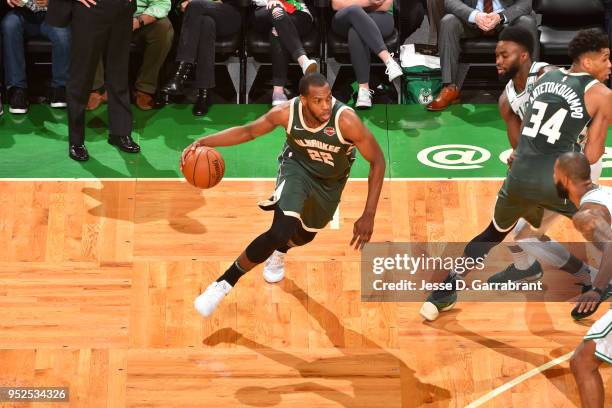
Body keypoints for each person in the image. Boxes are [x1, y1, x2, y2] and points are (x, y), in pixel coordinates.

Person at [419, 28, 612, 321]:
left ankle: (446, 290)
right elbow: (594, 155)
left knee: (493, 233)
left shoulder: (545, 78)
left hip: (519, 174)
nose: (610, 66)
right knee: (602, 231)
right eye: (606, 59)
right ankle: (599, 285)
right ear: (587, 62)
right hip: (559, 178)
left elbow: (529, 128)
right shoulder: (602, 94)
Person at [182, 73, 386, 317]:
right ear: (304, 100)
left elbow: (378, 161)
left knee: (304, 237)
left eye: (328, 99)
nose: (325, 106)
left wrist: (369, 214)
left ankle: (281, 251)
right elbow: (248, 132)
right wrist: (206, 141)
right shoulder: (286, 113)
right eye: (318, 101)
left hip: (330, 183)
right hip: (296, 169)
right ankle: (223, 284)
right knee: (280, 230)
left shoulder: (347, 121)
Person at [488, 27, 605, 315]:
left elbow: (590, 151)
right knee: (520, 233)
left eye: (505, 54)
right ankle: (530, 270)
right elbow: (519, 143)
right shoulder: (508, 99)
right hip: (550, 168)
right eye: (498, 55)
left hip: (573, 170)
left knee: (527, 234)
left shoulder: (547, 74)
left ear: (526, 57)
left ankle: (594, 277)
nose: (499, 61)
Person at [46, 0, 141, 162]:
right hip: (90, 10)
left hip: (121, 10)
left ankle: (120, 132)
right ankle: (76, 141)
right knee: (81, 77)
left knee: (119, 74)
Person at [553, 152, 612, 408]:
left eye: (553, 174)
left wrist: (597, 289)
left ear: (564, 179)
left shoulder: (585, 216)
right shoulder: (606, 194)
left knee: (582, 362)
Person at [427, 0, 538, 111]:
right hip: (471, 21)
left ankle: (528, 89)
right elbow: (450, 1)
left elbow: (525, 3)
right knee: (448, 22)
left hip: (506, 22)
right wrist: (475, 16)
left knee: (526, 22)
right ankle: (450, 88)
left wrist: (501, 16)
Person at [88, 0, 174, 111]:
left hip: (139, 18)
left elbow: (162, 4)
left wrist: (138, 22)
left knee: (163, 28)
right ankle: (95, 89)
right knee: (86, 25)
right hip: (103, 17)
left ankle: (145, 88)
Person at [161, 0, 241, 116]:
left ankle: (179, 75)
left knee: (195, 5)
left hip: (227, 14)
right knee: (206, 23)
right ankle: (204, 93)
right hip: (194, 19)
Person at [330, 0, 403, 109]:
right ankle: (387, 59)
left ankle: (363, 90)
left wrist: (355, 3)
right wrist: (369, 2)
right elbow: (336, 4)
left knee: (355, 31)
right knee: (354, 11)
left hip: (380, 17)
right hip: (346, 17)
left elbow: (385, 5)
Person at [2, 0, 71, 114]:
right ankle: (17, 90)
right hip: (22, 13)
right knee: (9, 25)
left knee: (62, 34)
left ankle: (60, 88)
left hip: (53, 14)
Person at [252, 0, 318, 106]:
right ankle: (302, 60)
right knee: (276, 9)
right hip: (265, 10)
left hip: (298, 13)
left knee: (278, 30)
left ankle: (278, 92)